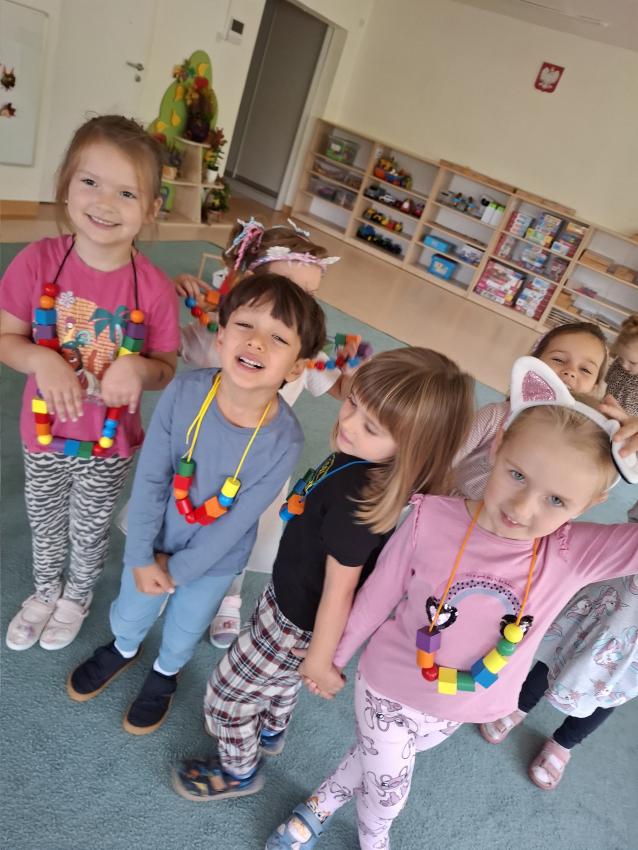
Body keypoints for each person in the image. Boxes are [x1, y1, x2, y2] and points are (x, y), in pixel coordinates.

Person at [263, 356, 638, 850]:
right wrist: (334, 655)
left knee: (375, 758)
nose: (522, 508)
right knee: (389, 786)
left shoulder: (572, 554)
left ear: (589, 505)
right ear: (498, 446)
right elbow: (378, 594)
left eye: (557, 501)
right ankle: (374, 840)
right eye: (517, 475)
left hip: (464, 703)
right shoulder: (431, 518)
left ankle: (318, 806)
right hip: (390, 684)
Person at [170, 347, 475, 801]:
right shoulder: (360, 460)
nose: (348, 423)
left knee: (226, 696)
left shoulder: (357, 503)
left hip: (297, 621)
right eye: (353, 402)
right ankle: (270, 729)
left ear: (412, 450)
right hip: (292, 597)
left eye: (371, 427)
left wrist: (319, 658)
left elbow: (340, 590)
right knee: (278, 681)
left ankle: (238, 772)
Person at [66, 274, 326, 735]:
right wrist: (142, 555)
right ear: (220, 336)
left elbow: (237, 521)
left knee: (187, 625)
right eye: (245, 325)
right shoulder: (185, 393)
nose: (256, 342)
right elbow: (152, 477)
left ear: (296, 368)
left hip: (214, 559)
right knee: (131, 608)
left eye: (278, 338)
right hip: (156, 534)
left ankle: (166, 671)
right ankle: (124, 648)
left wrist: (177, 571)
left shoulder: (284, 440)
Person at [0, 115, 180, 652]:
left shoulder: (153, 288)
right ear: (65, 186)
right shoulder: (36, 262)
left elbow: (165, 366)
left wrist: (138, 369)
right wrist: (42, 359)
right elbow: (6, 338)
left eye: (126, 192)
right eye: (90, 182)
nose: (105, 203)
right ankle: (44, 591)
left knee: (89, 526)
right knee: (45, 519)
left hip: (109, 441)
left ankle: (76, 597)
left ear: (151, 209)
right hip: (44, 431)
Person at [174, 218, 350, 648]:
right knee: (183, 515)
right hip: (200, 454)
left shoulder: (302, 353)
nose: (299, 305)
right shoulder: (218, 335)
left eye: (310, 295)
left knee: (242, 529)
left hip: (259, 463)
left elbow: (343, 389)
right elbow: (164, 345)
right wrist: (174, 295)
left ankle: (228, 595)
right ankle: (171, 572)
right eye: (289, 290)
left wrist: (354, 367)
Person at [479, 573, 638, 789]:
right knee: (565, 652)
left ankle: (564, 742)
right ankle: (519, 704)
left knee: (614, 686)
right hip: (622, 599)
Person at [454, 321, 609, 499]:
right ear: (533, 363)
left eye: (585, 370)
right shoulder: (495, 416)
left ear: (594, 387)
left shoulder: (579, 447)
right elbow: (445, 460)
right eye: (558, 359)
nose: (570, 372)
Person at [603, 314, 638, 521]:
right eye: (621, 358)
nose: (625, 365)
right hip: (609, 416)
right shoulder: (620, 366)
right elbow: (608, 387)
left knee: (620, 457)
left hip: (630, 432)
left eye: (632, 362)